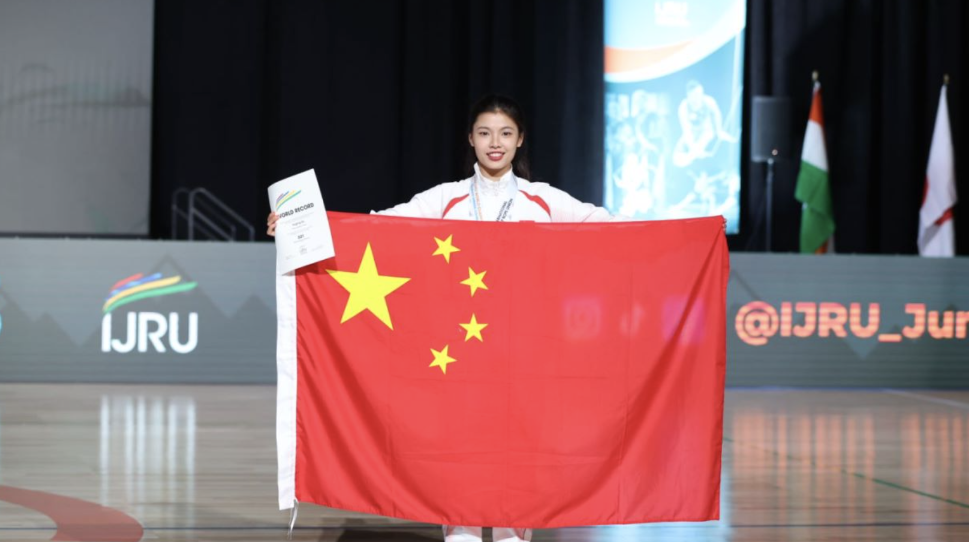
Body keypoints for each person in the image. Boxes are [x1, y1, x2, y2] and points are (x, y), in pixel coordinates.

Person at [268, 94, 626, 542]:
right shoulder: (445, 198)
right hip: (458, 361)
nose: (495, 143)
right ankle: (460, 526)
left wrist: (685, 236)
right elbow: (376, 229)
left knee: (519, 474)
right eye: (484, 133)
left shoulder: (545, 201)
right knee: (462, 466)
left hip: (525, 362)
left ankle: (514, 529)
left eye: (505, 133)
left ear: (520, 140)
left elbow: (612, 228)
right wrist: (299, 227)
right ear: (470, 139)